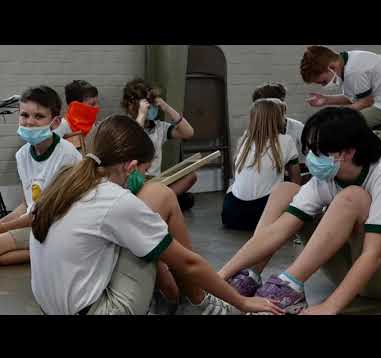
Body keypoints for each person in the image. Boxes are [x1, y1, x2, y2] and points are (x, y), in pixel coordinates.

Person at [29, 114, 283, 316]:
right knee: (160, 195)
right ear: (130, 167)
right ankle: (199, 304)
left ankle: (182, 299)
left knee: (146, 236)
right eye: (144, 170)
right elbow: (188, 263)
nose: (143, 178)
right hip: (100, 310)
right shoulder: (114, 199)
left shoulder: (64, 182)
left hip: (52, 308)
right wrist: (241, 302)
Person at [217, 107, 381, 315]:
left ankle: (289, 286)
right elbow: (278, 230)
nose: (310, 157)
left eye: (319, 151)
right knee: (285, 190)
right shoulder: (324, 179)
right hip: (348, 271)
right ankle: (248, 275)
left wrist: (330, 306)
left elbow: (374, 254)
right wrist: (220, 276)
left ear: (348, 152)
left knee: (352, 197)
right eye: (309, 149)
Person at [0, 86, 82, 265]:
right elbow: (27, 204)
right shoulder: (22, 155)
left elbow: (45, 214)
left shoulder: (67, 156)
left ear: (55, 122)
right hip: (37, 222)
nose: (29, 122)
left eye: (39, 116)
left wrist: (3, 227)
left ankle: (55, 251)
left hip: (58, 226)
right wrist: (2, 223)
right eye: (24, 115)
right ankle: (47, 254)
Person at [222, 98, 300, 231]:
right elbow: (296, 181)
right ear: (279, 118)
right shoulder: (286, 140)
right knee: (289, 186)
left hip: (231, 214)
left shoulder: (244, 140)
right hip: (263, 216)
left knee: (236, 185)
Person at [121, 78, 196, 209]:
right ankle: (160, 202)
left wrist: (167, 108)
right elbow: (130, 141)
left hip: (156, 181)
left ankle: (157, 202)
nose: (151, 108)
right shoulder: (124, 126)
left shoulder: (158, 127)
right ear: (132, 106)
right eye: (147, 104)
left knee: (191, 176)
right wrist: (141, 115)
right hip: (133, 184)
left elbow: (188, 132)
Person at [301, 45, 381, 129]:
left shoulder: (353, 71)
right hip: (378, 102)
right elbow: (355, 98)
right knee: (337, 121)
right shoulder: (347, 61)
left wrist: (337, 114)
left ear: (331, 67)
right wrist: (326, 100)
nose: (324, 85)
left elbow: (366, 102)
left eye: (324, 82)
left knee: (341, 126)